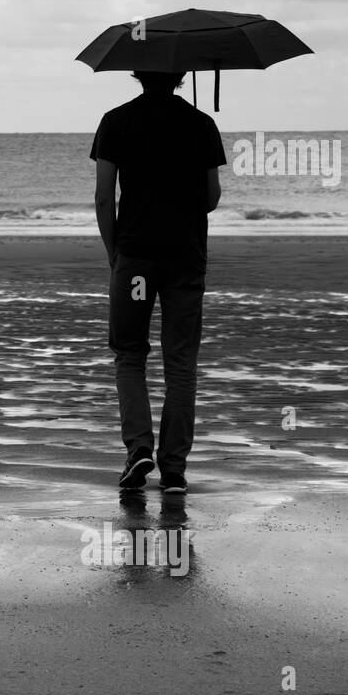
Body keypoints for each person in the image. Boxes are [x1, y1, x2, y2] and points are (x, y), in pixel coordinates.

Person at [89, 71, 226, 495]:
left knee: (130, 354)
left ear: (137, 74)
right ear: (182, 77)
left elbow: (103, 197)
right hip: (185, 258)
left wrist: (115, 255)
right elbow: (211, 198)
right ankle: (174, 471)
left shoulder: (115, 120)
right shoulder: (201, 124)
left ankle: (139, 448)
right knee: (180, 364)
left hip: (135, 258)